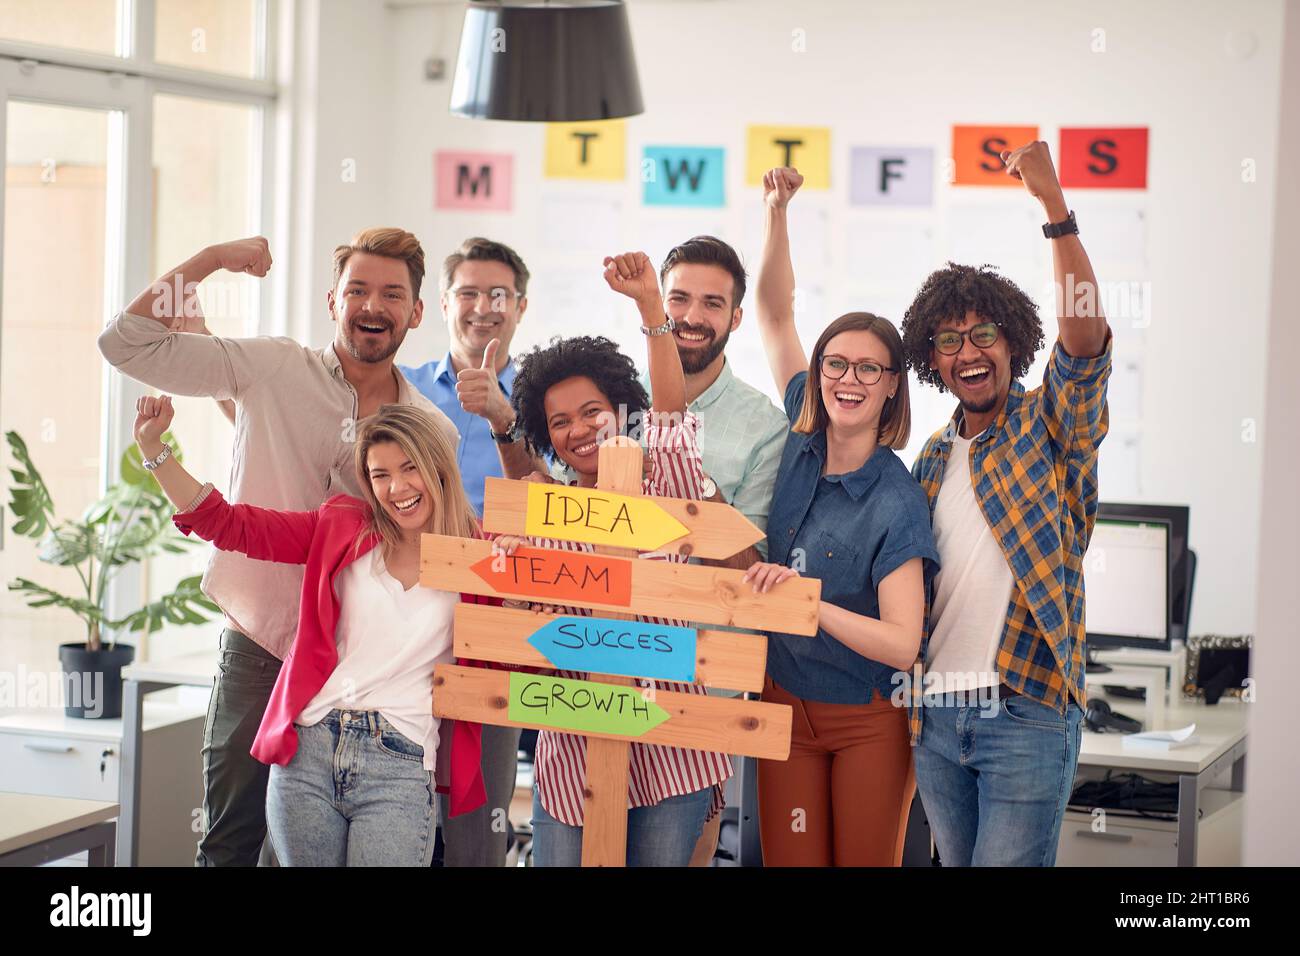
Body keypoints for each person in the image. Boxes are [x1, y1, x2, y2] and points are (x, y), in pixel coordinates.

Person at [97, 228, 457, 866]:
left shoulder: (431, 430)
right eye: (358, 290)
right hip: (260, 645)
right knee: (230, 841)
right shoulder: (270, 366)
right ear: (332, 300)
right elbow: (124, 343)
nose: (373, 306)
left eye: (392, 294)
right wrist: (209, 258)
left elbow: (444, 547)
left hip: (358, 673)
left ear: (416, 312)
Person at [132, 398, 486, 865]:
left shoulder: (478, 555)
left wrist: (525, 573)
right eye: (380, 475)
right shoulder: (342, 527)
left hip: (399, 760)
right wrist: (154, 448)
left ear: (437, 468)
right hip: (311, 750)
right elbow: (231, 524)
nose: (397, 487)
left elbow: (519, 638)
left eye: (409, 468)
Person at [479, 251, 733, 866]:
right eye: (559, 421)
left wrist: (651, 304)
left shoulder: (665, 483)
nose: (579, 430)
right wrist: (510, 569)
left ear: (622, 409)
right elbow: (523, 624)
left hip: (671, 745)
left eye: (592, 411)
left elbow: (671, 417)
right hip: (571, 742)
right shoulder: (545, 511)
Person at [898, 141, 1111, 867]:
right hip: (934, 714)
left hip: (1026, 707)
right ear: (934, 360)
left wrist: (1055, 209)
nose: (968, 351)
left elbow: (1083, 341)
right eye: (950, 340)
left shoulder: (1049, 425)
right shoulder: (928, 458)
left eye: (983, 333)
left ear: (1012, 341)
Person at [746, 167, 940, 866]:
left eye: (869, 369)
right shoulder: (801, 441)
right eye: (836, 364)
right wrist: (776, 211)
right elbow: (773, 312)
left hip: (867, 722)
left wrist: (809, 604)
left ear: (892, 387)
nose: (847, 380)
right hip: (783, 703)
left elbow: (901, 643)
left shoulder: (898, 497)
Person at [400, 236, 541, 866]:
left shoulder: (544, 398)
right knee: (393, 794)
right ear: (443, 302)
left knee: (477, 816)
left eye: (498, 295)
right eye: (468, 293)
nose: (482, 307)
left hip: (494, 627)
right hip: (399, 623)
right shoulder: (400, 386)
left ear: (521, 306)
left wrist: (504, 414)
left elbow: (559, 498)